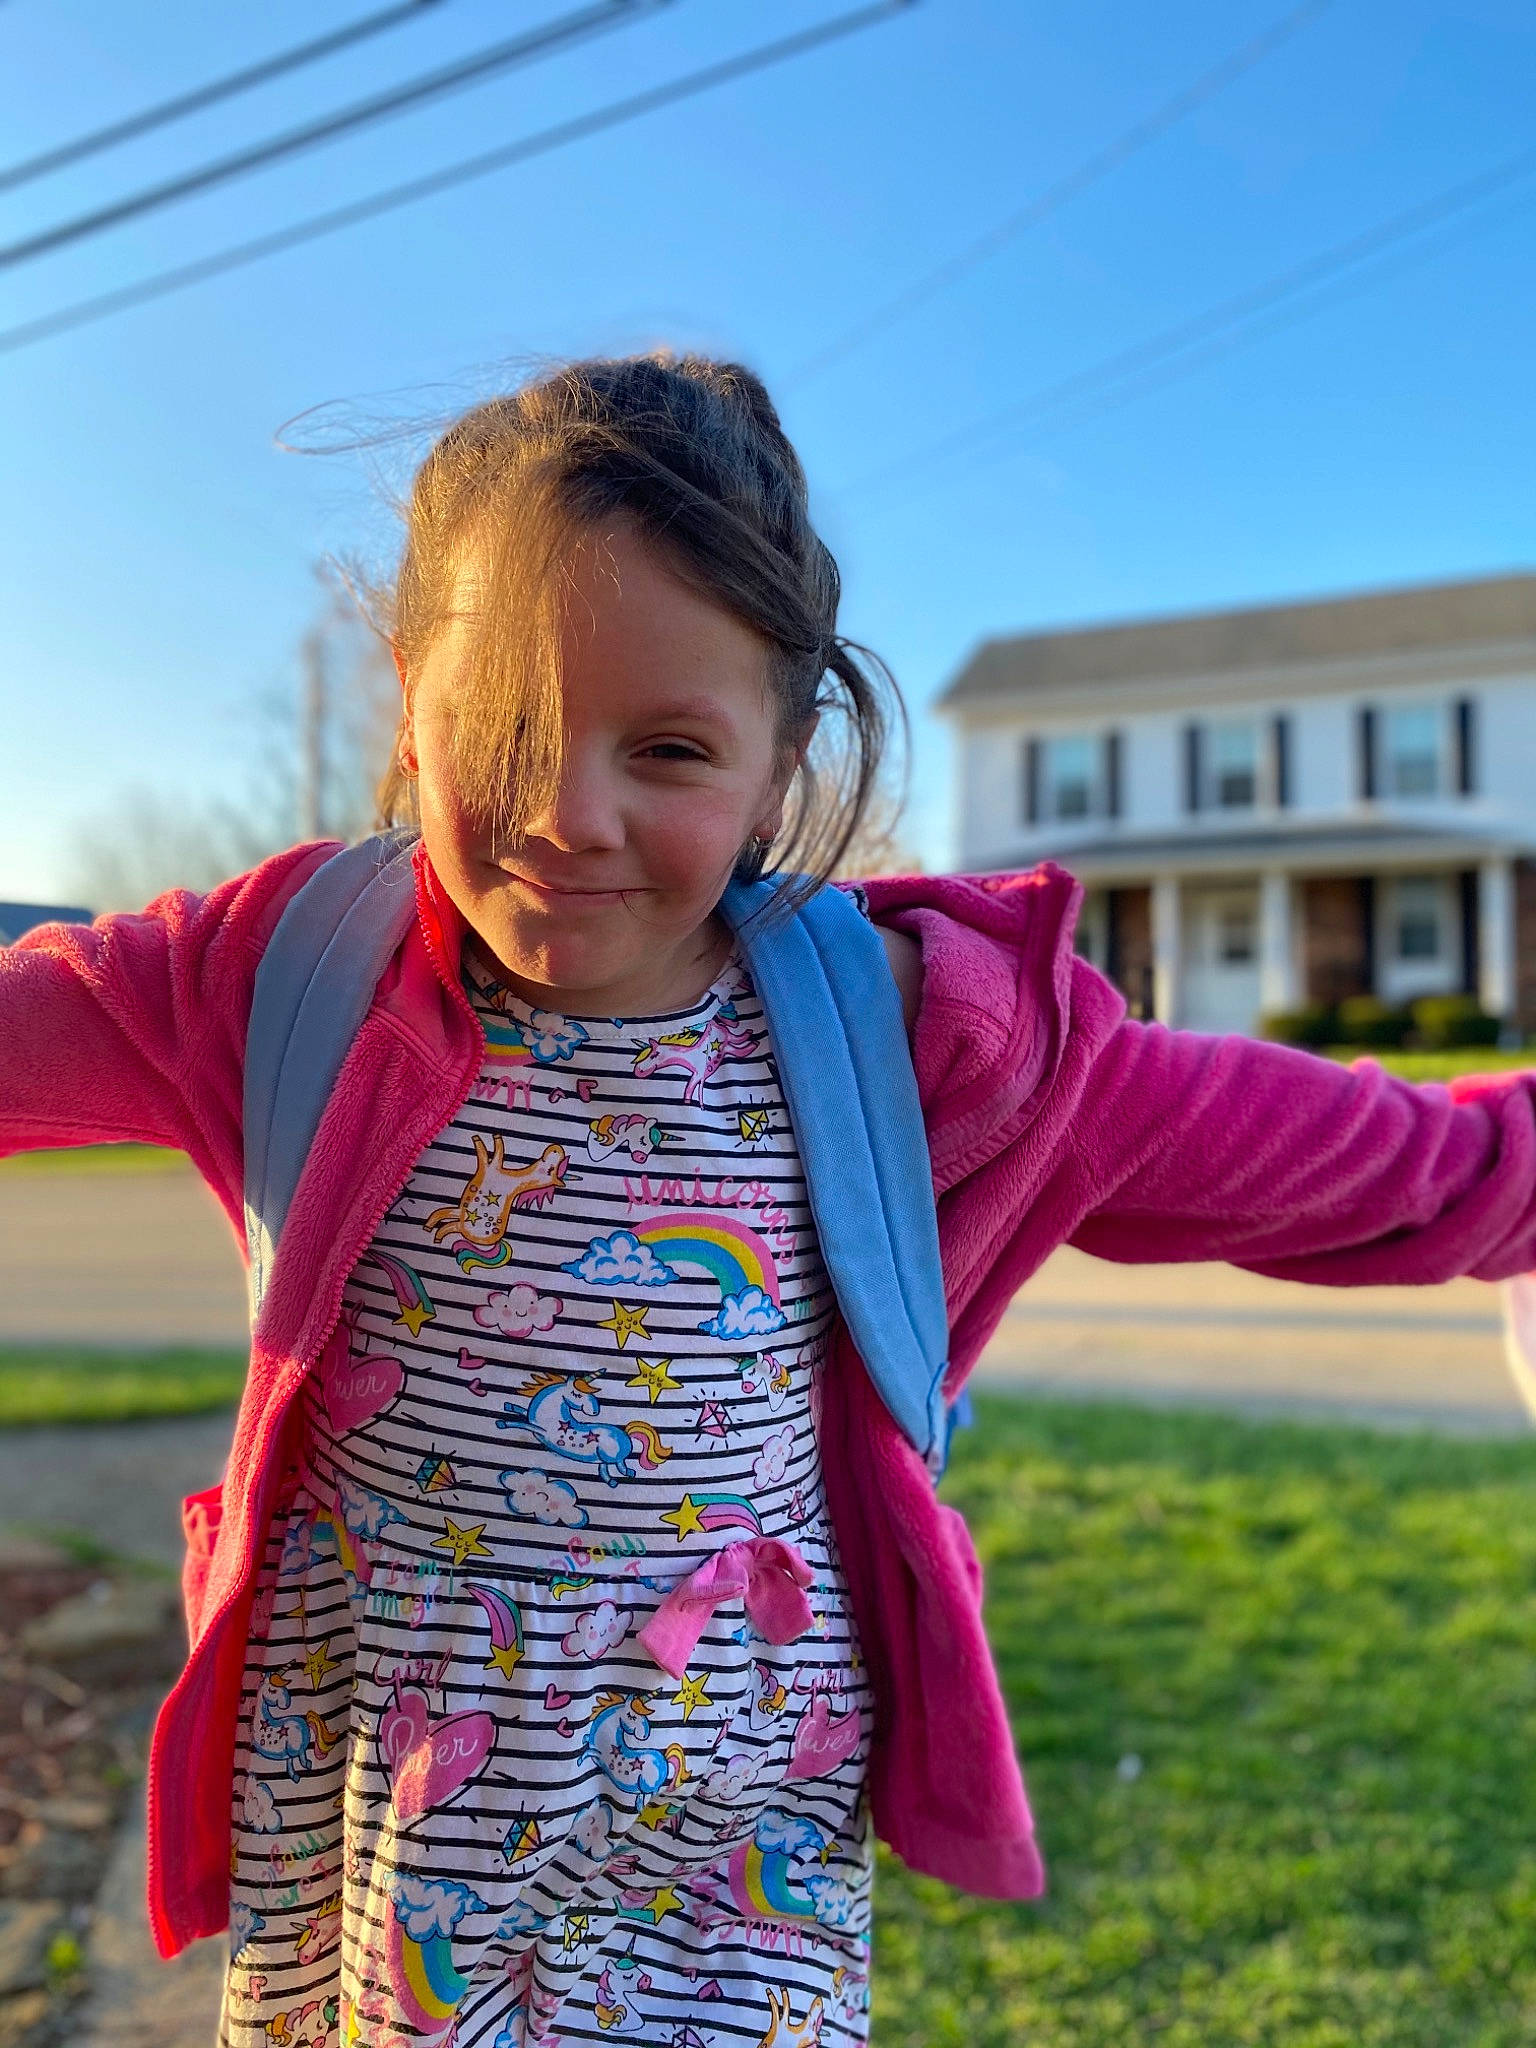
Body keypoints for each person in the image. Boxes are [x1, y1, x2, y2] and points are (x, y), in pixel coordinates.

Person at [3, 352, 1535, 2048]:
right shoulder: (278, 979)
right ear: (403, 696)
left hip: (723, 1900)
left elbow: (1365, 1162)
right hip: (375, 1880)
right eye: (501, 727)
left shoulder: (930, 1040)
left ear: (786, 756)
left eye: (667, 749)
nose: (564, 816)